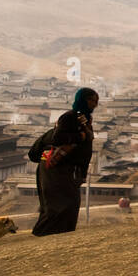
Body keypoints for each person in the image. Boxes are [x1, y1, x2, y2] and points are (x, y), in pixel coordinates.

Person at [32, 87, 97, 236]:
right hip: (56, 168)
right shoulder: (69, 117)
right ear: (82, 100)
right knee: (57, 206)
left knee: (70, 204)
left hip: (68, 169)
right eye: (91, 100)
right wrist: (80, 137)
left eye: (96, 101)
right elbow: (58, 138)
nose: (94, 104)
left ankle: (61, 237)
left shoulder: (84, 119)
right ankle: (42, 236)